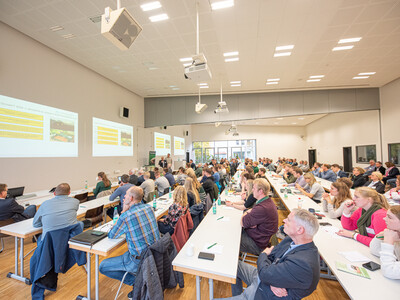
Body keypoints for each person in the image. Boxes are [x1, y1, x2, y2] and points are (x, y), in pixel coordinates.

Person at [222, 209, 320, 300]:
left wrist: (264, 255)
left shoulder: (304, 263)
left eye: (289, 220)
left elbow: (265, 266)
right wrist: (273, 280)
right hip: (261, 277)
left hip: (261, 292)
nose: (284, 220)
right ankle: (238, 296)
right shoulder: (290, 239)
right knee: (233, 264)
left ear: (300, 230)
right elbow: (271, 256)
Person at [99, 186, 160, 287]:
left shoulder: (126, 216)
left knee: (102, 266)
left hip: (137, 260)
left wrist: (123, 211)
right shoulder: (149, 208)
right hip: (153, 254)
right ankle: (140, 280)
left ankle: (136, 283)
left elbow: (112, 235)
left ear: (131, 198)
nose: (123, 198)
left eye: (126, 195)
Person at [240, 179, 278, 255]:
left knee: (232, 238)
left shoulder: (262, 208)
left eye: (254, 188)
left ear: (260, 191)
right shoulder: (267, 201)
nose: (252, 190)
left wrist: (247, 212)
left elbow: (243, 223)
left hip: (257, 244)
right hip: (260, 238)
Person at [370, 205, 400, 279]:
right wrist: (380, 236)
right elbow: (375, 250)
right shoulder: (396, 234)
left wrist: (388, 243)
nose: (384, 218)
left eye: (389, 217)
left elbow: (389, 271)